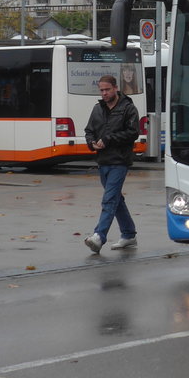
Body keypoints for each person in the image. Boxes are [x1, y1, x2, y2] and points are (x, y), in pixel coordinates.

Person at [83, 74, 140, 253]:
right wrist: (91, 142)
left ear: (116, 88)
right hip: (103, 161)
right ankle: (129, 234)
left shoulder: (128, 108)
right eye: (101, 90)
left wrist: (108, 139)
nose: (104, 93)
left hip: (120, 161)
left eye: (107, 89)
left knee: (109, 199)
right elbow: (89, 130)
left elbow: (133, 133)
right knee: (116, 199)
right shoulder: (97, 109)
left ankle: (99, 236)